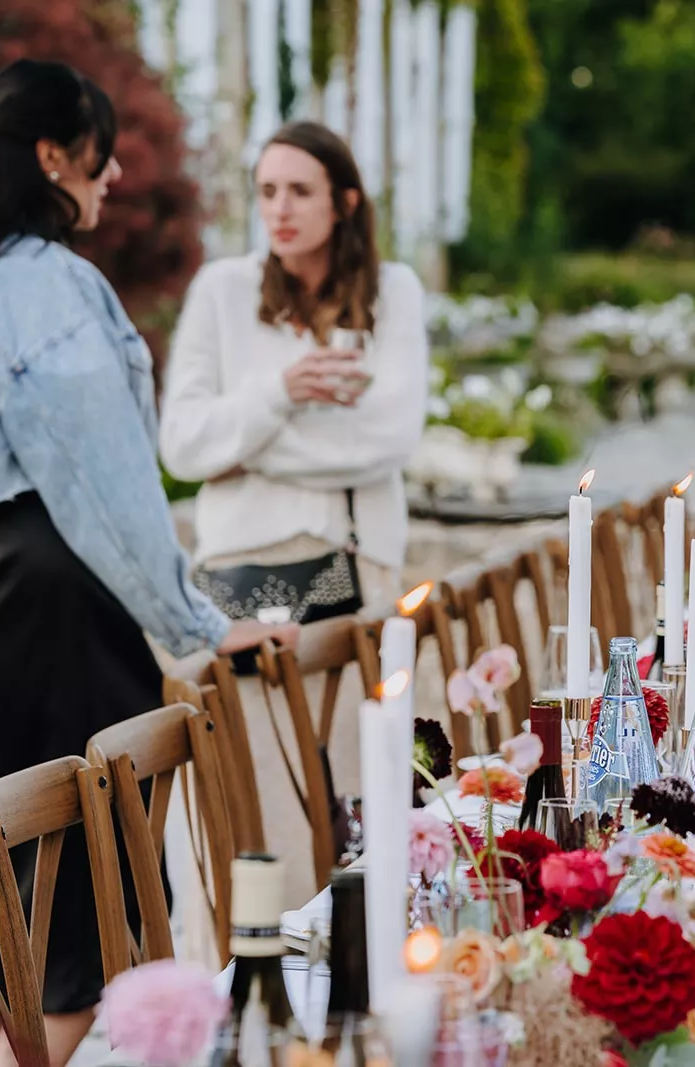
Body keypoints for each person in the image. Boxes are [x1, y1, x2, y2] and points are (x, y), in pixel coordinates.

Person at [0, 60, 297, 1067]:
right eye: (97, 153)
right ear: (50, 156)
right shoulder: (49, 285)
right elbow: (108, 494)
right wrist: (200, 625)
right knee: (102, 896)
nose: (115, 174)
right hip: (46, 602)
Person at [158, 121, 427, 906]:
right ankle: (250, 995)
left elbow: (386, 439)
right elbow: (182, 445)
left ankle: (346, 993)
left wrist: (246, 444)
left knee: (350, 804)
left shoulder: (393, 290)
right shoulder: (223, 290)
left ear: (344, 201)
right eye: (267, 190)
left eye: (300, 190)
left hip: (356, 571)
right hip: (240, 583)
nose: (279, 208)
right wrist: (285, 392)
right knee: (251, 811)